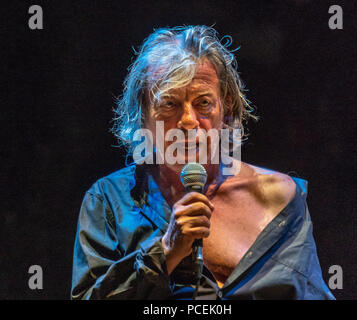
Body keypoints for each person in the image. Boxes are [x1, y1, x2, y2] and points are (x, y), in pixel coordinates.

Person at [71, 25, 335, 300]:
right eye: (169, 104)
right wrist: (166, 253)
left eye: (203, 102)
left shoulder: (279, 199)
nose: (187, 121)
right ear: (142, 114)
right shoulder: (109, 201)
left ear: (227, 107)